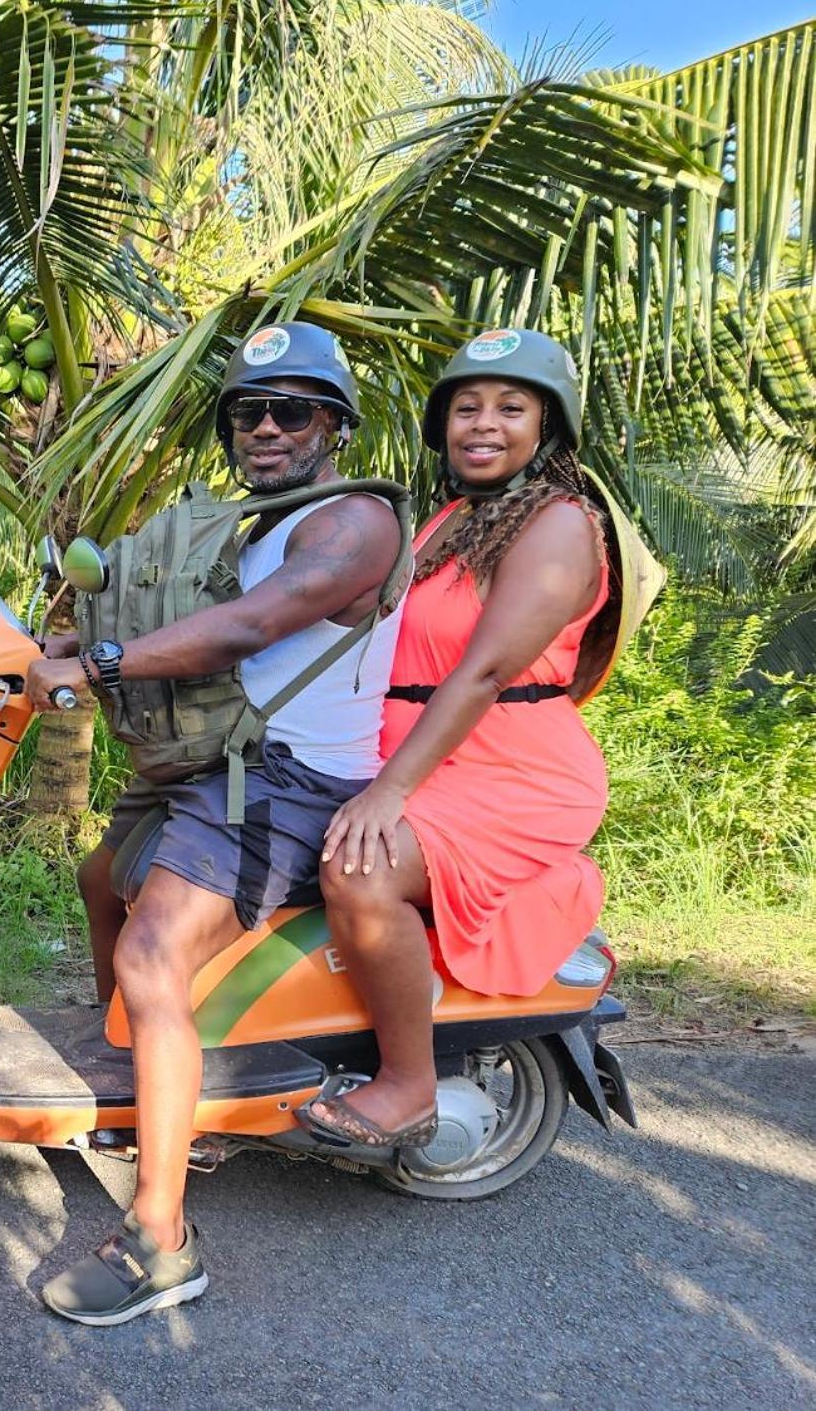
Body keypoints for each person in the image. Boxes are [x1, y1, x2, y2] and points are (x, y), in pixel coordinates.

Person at [26, 321, 405, 1325]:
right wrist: (66, 634)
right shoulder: (247, 521)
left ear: (333, 423)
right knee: (99, 882)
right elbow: (184, 611)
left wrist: (99, 667)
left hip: (288, 776)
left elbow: (246, 625)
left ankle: (160, 1240)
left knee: (152, 951)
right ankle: (145, 1099)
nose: (266, 426)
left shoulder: (352, 520)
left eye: (291, 409)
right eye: (248, 411)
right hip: (216, 760)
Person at [304, 327, 615, 1149]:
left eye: (510, 408)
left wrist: (387, 791)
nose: (483, 424)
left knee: (358, 870)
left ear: (546, 428)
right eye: (465, 408)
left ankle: (407, 1084)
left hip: (507, 767)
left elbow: (480, 673)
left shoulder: (556, 523)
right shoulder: (448, 519)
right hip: (415, 748)